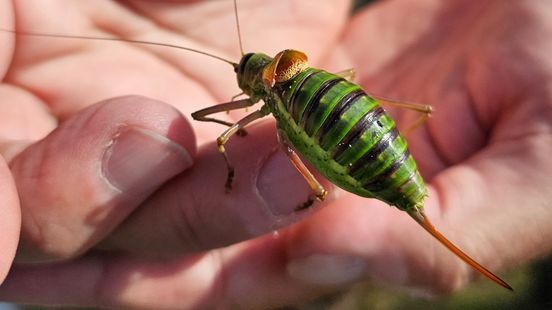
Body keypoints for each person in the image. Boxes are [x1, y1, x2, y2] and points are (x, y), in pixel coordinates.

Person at [1, 0, 551, 308]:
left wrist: (231, 146)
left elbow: (211, 128)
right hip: (359, 119)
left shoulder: (270, 96)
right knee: (330, 106)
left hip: (350, 144)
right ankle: (357, 172)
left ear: (258, 79)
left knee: (280, 144)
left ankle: (317, 188)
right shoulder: (298, 76)